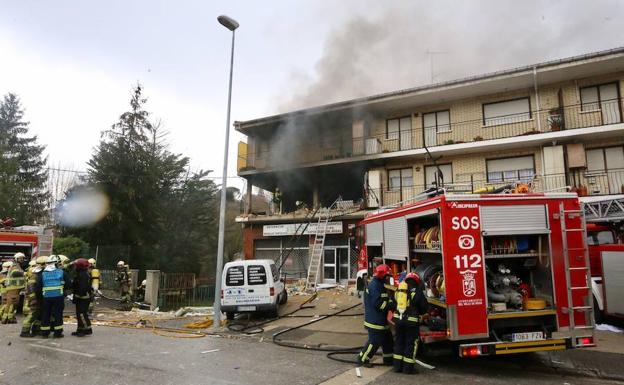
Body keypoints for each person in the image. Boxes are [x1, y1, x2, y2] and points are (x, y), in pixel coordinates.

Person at [357, 264, 395, 367]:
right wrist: (392, 305)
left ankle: (388, 360)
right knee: (374, 342)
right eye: (387, 276)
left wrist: (391, 302)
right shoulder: (375, 286)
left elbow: (383, 300)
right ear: (382, 275)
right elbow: (379, 304)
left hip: (380, 320)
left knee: (388, 341)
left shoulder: (379, 284)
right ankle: (363, 359)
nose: (388, 278)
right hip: (375, 321)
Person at [392, 272, 428, 374]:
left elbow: (393, 303)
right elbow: (424, 308)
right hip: (411, 323)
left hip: (398, 321)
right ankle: (408, 369)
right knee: (410, 344)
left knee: (399, 342)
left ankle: (397, 367)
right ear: (417, 281)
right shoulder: (417, 291)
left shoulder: (399, 290)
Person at [36, 255, 69, 338]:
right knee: (58, 314)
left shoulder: (42, 274)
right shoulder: (62, 272)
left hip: (46, 297)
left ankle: (45, 333)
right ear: (56, 264)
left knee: (46, 314)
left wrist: (39, 300)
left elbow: (38, 288)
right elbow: (69, 285)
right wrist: (62, 284)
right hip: (58, 297)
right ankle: (57, 333)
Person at [20, 257, 46, 337]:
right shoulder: (34, 274)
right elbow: (30, 287)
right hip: (34, 298)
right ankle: (25, 331)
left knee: (39, 314)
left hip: (39, 298)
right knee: (32, 314)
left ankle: (36, 329)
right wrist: (33, 298)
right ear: (44, 264)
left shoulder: (40, 273)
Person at [71, 258, 93, 336]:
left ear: (79, 266)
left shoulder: (83, 275)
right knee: (79, 314)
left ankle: (86, 329)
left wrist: (77, 295)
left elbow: (82, 288)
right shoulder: (81, 273)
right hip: (80, 298)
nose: (74, 267)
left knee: (82, 314)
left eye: (76, 266)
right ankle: (80, 329)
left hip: (83, 298)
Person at [1, 256, 26, 324]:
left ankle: (9, 318)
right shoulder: (14, 267)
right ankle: (5, 319)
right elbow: (15, 274)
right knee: (10, 304)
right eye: (21, 258)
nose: (22, 260)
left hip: (13, 288)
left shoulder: (13, 268)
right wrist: (24, 273)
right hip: (12, 289)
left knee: (12, 304)